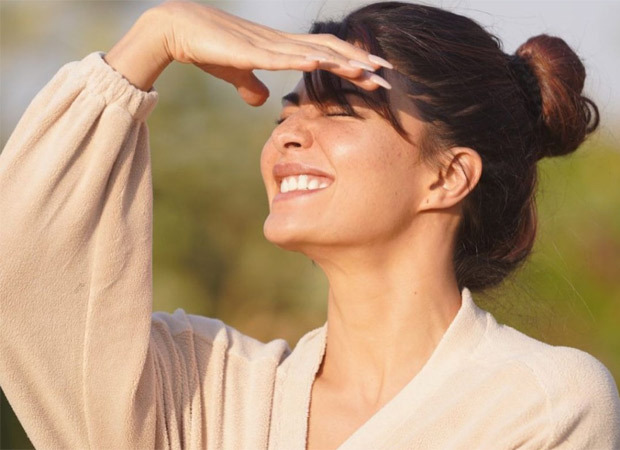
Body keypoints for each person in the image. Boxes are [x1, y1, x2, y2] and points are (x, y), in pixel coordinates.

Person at [1, 1, 618, 448]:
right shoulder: (201, 387)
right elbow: (21, 284)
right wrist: (150, 42)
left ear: (449, 176)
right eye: (287, 114)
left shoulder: (540, 404)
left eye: (342, 111)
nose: (289, 134)